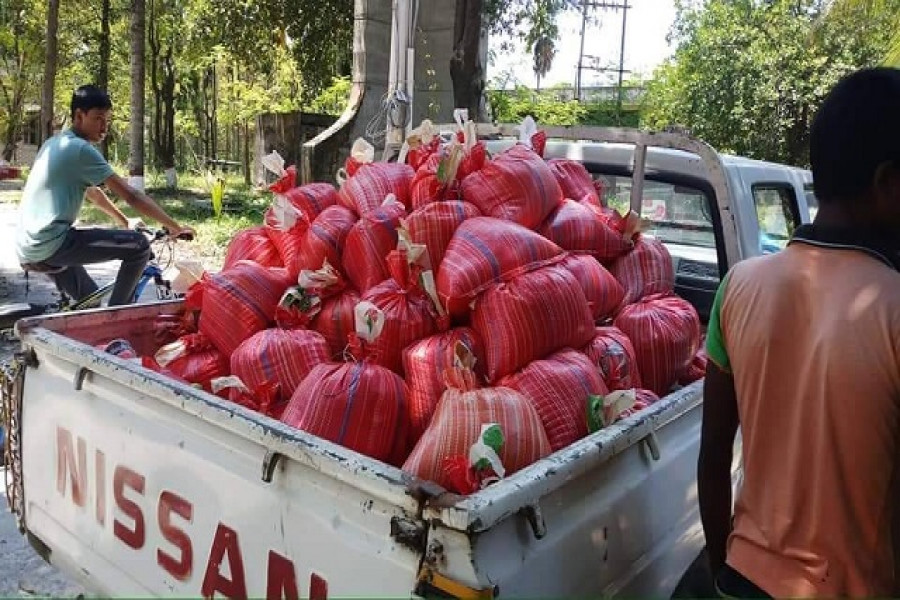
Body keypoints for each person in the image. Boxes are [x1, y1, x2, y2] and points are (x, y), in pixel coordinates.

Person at [698, 67, 900, 598]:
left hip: (743, 579)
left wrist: (722, 576)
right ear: (886, 184)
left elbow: (714, 454)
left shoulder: (738, 287)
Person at [15, 85, 195, 306]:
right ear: (79, 115)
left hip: (30, 244)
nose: (104, 127)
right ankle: (116, 315)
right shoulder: (80, 149)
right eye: (98, 118)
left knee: (89, 302)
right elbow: (132, 195)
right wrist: (175, 227)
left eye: (107, 121)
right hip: (52, 242)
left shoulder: (55, 143)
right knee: (139, 247)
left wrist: (125, 221)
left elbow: (93, 193)